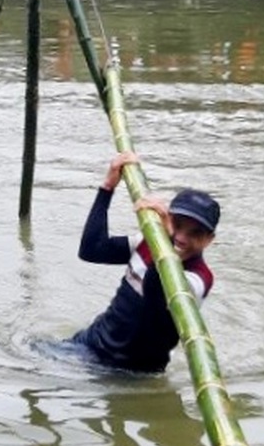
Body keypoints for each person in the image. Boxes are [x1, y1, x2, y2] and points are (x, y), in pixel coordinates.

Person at [70, 151, 218, 373]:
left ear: (209, 240)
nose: (181, 238)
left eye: (195, 233)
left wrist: (165, 238)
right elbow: (92, 250)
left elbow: (155, 290)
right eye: (177, 224)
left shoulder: (199, 279)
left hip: (129, 371)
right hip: (89, 345)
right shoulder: (147, 242)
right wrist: (107, 187)